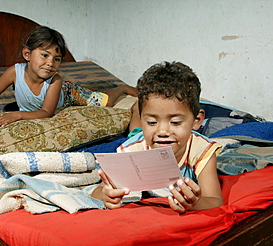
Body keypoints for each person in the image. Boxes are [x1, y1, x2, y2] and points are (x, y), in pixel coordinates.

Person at [92, 61, 224, 214]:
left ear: (197, 121)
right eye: (152, 121)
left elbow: (215, 201)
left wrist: (195, 203)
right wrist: (106, 195)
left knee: (139, 131)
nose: (162, 131)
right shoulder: (131, 150)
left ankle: (139, 112)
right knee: (135, 133)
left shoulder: (201, 151)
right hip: (142, 138)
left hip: (148, 136)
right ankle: (137, 111)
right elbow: (99, 190)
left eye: (175, 122)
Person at [0, 26, 136, 134]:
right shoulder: (14, 72)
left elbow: (47, 113)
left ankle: (121, 88)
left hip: (70, 94)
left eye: (57, 59)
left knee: (103, 101)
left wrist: (17, 115)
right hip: (34, 106)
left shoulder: (55, 81)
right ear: (27, 54)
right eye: (45, 55)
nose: (50, 63)